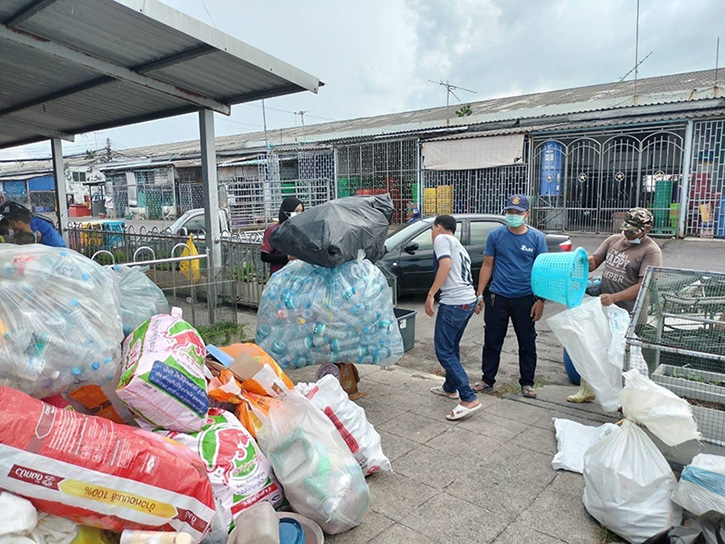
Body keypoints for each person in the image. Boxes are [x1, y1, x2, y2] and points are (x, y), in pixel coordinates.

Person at [567, 207, 663, 403]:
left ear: (647, 229)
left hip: (628, 313)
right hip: (605, 307)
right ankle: (588, 390)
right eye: (626, 228)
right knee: (591, 346)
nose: (627, 234)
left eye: (633, 231)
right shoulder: (613, 241)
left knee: (623, 357)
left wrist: (615, 297)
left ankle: (626, 400)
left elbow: (642, 286)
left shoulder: (650, 251)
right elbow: (595, 263)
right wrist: (587, 259)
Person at [474, 194, 547, 399]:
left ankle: (527, 383)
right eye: (510, 212)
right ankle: (487, 379)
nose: (513, 215)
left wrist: (540, 300)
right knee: (492, 340)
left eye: (518, 212)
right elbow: (488, 265)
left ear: (527, 214)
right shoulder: (496, 236)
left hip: (525, 298)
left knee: (527, 341)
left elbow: (541, 271)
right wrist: (480, 294)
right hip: (498, 297)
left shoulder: (536, 238)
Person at [425, 214, 481, 421]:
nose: (431, 234)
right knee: (452, 346)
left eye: (432, 229)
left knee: (443, 350)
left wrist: (431, 294)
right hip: (467, 300)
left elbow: (445, 266)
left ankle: (468, 397)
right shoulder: (457, 244)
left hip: (454, 302)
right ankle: (450, 387)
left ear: (438, 227)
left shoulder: (442, 239)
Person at [260, 197, 304, 274]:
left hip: (299, 274)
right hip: (280, 274)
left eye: (301, 211)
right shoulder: (273, 230)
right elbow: (264, 256)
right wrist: (287, 258)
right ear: (287, 211)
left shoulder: (302, 229)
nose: (299, 214)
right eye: (296, 211)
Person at [0, 202, 65, 248]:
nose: (11, 227)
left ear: (19, 222)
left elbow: (37, 236)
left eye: (12, 224)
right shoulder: (32, 220)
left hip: (55, 248)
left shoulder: (30, 223)